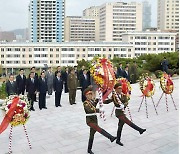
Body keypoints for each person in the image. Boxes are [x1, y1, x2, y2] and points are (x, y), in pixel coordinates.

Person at [83, 87, 117, 154]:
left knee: (92, 135)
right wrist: (99, 110)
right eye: (89, 94)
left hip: (95, 120)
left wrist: (112, 98)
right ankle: (110, 137)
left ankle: (89, 149)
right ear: (86, 95)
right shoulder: (85, 103)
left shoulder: (94, 100)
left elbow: (104, 101)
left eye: (91, 94)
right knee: (99, 129)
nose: (90, 95)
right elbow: (90, 110)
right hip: (90, 121)